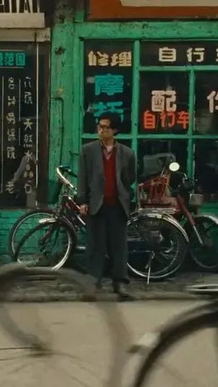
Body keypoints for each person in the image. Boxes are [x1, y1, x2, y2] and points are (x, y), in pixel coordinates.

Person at [77, 113, 136, 299]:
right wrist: (82, 201)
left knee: (118, 247)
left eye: (106, 127)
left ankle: (120, 283)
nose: (102, 130)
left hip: (117, 205)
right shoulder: (88, 150)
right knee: (95, 247)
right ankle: (93, 283)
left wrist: (125, 195)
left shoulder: (127, 153)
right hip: (96, 204)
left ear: (114, 130)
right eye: (100, 126)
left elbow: (130, 178)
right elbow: (83, 178)